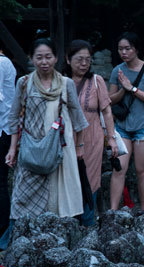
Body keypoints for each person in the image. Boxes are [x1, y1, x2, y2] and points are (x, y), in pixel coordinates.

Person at [2, 38, 88, 247]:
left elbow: (78, 120)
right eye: (39, 57)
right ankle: (24, 241)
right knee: (23, 194)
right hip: (31, 146)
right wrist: (13, 149)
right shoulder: (24, 83)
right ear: (32, 59)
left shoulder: (66, 84)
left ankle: (58, 241)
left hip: (60, 146)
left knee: (59, 194)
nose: (44, 62)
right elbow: (14, 118)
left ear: (56, 58)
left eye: (48, 56)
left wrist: (79, 147)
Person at [65, 40, 118, 226]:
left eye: (87, 60)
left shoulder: (97, 81)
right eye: (79, 59)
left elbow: (107, 111)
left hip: (93, 138)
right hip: (66, 139)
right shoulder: (62, 81)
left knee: (91, 180)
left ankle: (87, 225)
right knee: (68, 179)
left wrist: (111, 138)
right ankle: (69, 223)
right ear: (68, 59)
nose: (84, 64)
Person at [109, 32, 144, 210]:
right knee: (119, 169)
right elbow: (110, 100)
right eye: (120, 49)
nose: (123, 52)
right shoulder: (118, 70)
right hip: (122, 126)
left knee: (142, 170)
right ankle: (113, 212)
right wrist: (123, 90)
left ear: (136, 49)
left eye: (127, 48)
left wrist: (132, 88)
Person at [0, 41, 16, 248]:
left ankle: (3, 232)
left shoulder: (2, 63)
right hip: (5, 129)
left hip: (2, 131)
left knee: (0, 183)